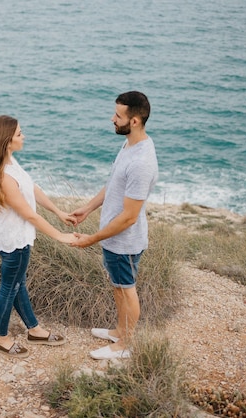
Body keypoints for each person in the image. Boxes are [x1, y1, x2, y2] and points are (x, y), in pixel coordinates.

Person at [0, 115, 76, 358]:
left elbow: (31, 188)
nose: (23, 136)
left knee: (18, 284)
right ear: (6, 141)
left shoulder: (9, 163)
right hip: (13, 240)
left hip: (15, 237)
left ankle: (34, 329)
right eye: (19, 133)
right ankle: (1, 337)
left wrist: (58, 212)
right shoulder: (4, 177)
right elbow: (30, 215)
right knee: (10, 287)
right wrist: (60, 236)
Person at [71, 91, 158, 360]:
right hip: (113, 239)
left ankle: (125, 345)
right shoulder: (129, 146)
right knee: (118, 285)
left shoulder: (142, 161)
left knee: (127, 288)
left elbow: (130, 216)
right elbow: (113, 185)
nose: (112, 119)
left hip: (125, 240)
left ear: (134, 121)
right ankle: (120, 331)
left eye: (118, 116)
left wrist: (92, 238)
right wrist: (88, 208)